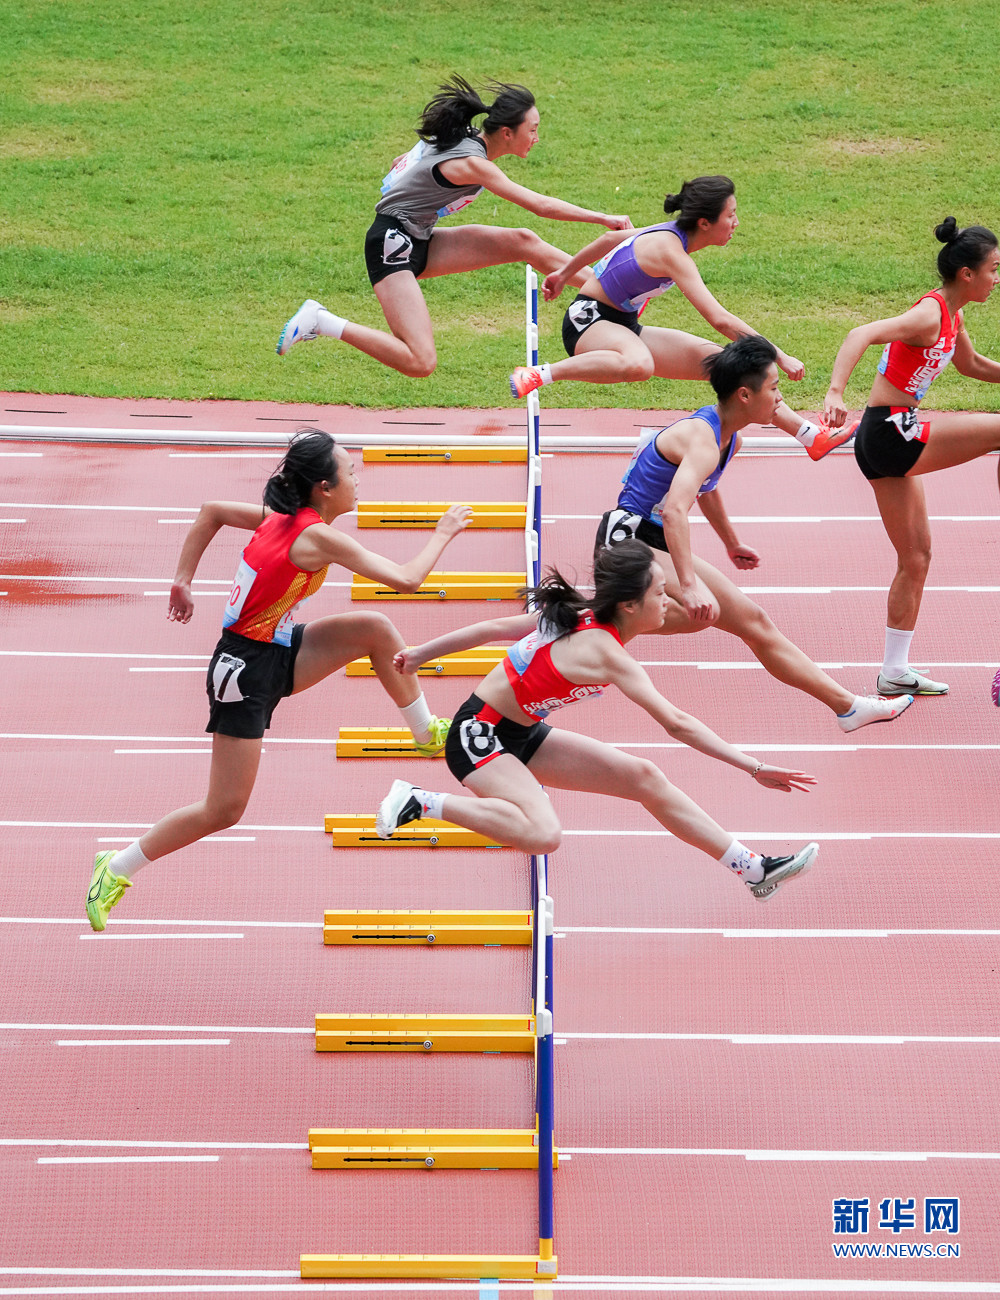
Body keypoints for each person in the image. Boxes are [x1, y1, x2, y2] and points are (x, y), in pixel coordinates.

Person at [85, 430, 471, 931]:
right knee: (224, 809)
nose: (358, 478)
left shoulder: (285, 520)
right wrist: (444, 531)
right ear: (324, 488)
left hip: (276, 647)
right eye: (350, 472)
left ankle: (425, 735)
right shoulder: (315, 535)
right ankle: (114, 868)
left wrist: (183, 579)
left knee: (374, 629)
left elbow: (211, 511)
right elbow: (407, 579)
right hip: (244, 670)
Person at [376, 540, 819, 902]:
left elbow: (493, 627)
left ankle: (754, 870)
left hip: (523, 732)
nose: (671, 601)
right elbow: (678, 724)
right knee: (544, 834)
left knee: (644, 777)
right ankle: (420, 800)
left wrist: (419, 654)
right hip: (481, 736)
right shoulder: (605, 652)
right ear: (629, 604)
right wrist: (753, 767)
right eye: (661, 593)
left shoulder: (582, 615)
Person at [594, 335, 913, 732]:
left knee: (737, 620)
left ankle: (849, 708)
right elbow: (676, 510)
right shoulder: (703, 439)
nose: (781, 399)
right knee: (702, 608)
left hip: (650, 539)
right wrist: (689, 584)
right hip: (628, 540)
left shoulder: (729, 437)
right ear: (745, 395)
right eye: (775, 388)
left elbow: (703, 490)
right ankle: (591, 632)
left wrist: (731, 542)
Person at [276, 75, 631, 378]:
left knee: (523, 241)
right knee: (421, 361)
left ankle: (612, 293)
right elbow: (540, 205)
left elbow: (401, 161)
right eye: (533, 130)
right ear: (507, 133)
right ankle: (321, 321)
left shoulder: (467, 138)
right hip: (391, 244)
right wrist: (603, 218)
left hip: (419, 237)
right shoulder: (473, 162)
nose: (537, 137)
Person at [509, 175, 848, 461]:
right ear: (705, 223)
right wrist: (780, 356)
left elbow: (611, 238)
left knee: (733, 369)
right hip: (589, 322)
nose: (736, 223)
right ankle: (539, 374)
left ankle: (809, 437)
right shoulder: (673, 253)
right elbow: (720, 320)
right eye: (731, 215)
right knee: (640, 365)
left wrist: (563, 274)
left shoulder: (671, 234)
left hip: (622, 325)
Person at [824, 217, 1000, 697]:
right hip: (888, 432)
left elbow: (973, 366)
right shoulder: (929, 313)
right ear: (966, 273)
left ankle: (893, 670)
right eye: (993, 269)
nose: (996, 278)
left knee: (917, 556)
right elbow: (860, 332)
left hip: (887, 439)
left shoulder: (953, 314)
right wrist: (836, 391)